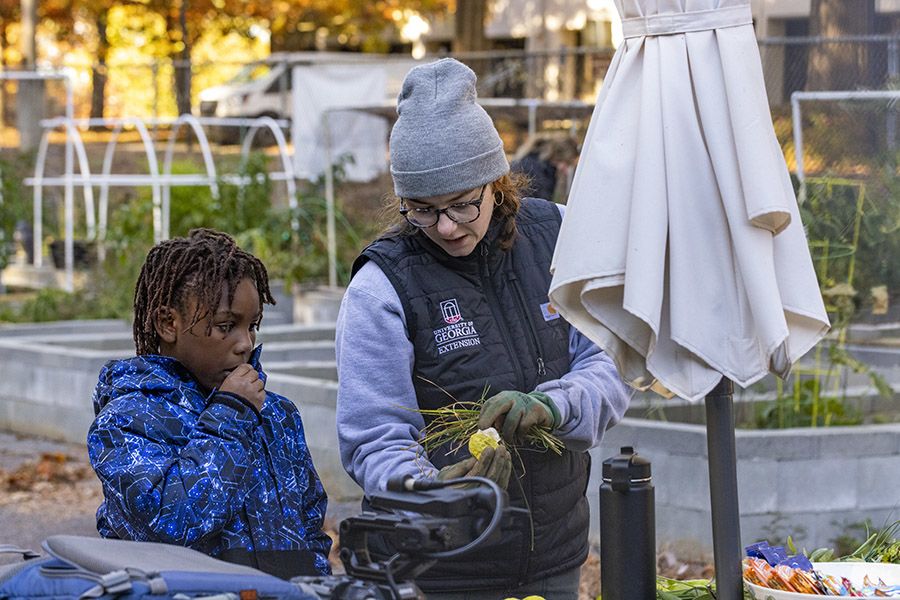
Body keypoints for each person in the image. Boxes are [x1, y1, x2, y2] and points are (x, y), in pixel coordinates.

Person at [335, 58, 630, 599]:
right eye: (421, 210)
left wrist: (554, 406)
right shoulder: (382, 289)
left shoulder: (561, 237)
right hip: (439, 572)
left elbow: (609, 365)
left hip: (554, 556)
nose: (446, 226)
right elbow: (373, 438)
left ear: (495, 179)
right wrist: (433, 493)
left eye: (463, 204)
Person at [87, 228, 332, 580]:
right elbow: (175, 522)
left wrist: (314, 584)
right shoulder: (126, 422)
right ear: (168, 323)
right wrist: (229, 417)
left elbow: (310, 524)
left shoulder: (277, 414)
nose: (244, 343)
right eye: (225, 325)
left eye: (252, 326)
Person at [510, 132, 580, 203]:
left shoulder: (543, 167)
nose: (566, 170)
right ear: (558, 156)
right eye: (567, 163)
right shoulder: (534, 170)